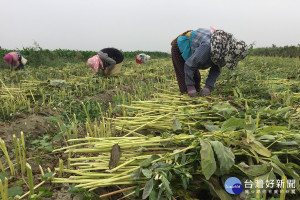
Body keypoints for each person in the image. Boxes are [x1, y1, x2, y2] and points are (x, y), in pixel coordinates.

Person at [171, 27, 248, 97]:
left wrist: (208, 87)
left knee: (197, 80)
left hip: (194, 53)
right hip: (179, 48)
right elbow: (189, 65)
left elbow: (216, 69)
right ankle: (186, 101)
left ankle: (195, 95)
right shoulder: (208, 47)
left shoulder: (222, 51)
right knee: (185, 86)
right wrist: (190, 86)